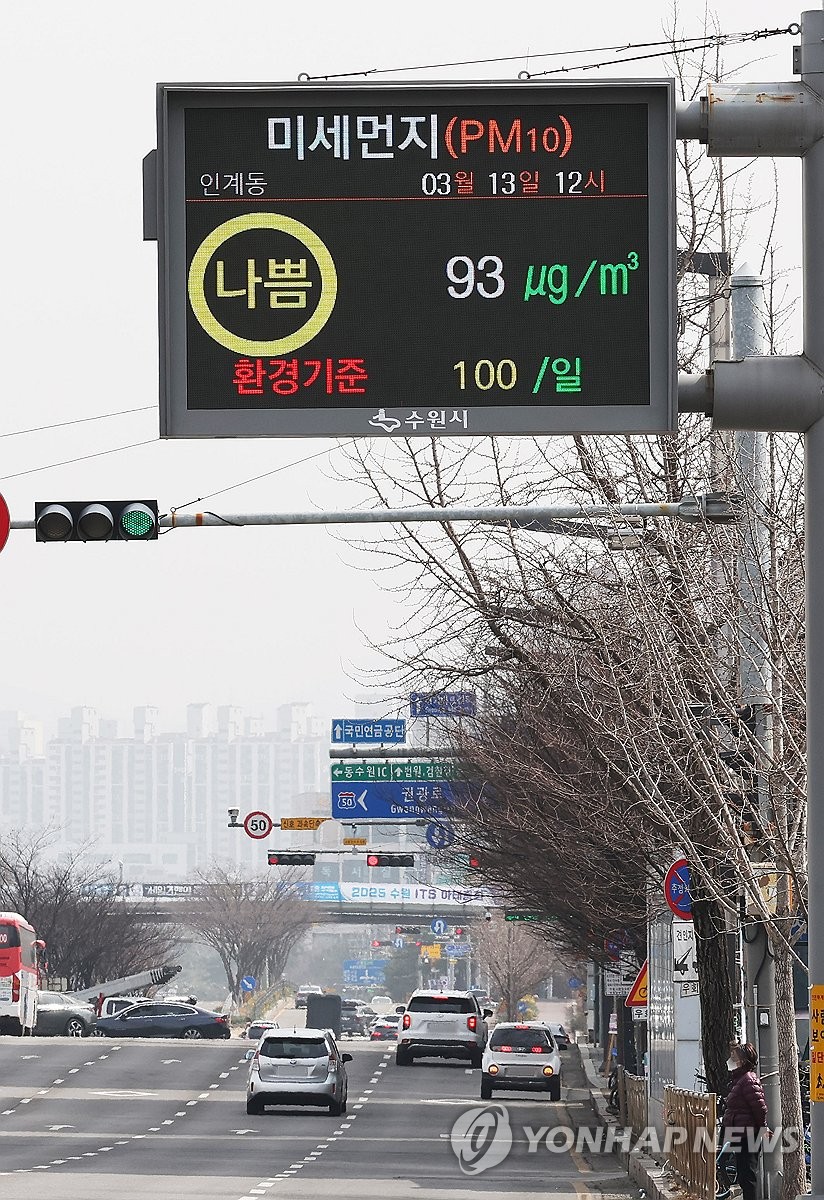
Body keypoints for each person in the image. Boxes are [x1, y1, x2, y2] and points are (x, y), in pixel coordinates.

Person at [722, 1042, 769, 1200]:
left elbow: (760, 1108)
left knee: (747, 1176)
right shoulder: (740, 1079)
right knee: (743, 1175)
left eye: (734, 1057)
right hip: (739, 1133)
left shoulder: (748, 1080)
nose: (731, 1059)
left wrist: (763, 1128)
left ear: (742, 1061)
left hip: (748, 1135)